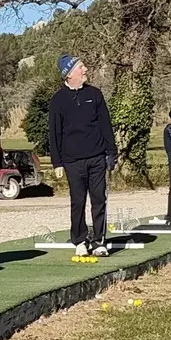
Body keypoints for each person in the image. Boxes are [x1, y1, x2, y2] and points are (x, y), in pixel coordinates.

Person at [48, 54, 117, 258]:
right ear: (69, 74)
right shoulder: (58, 100)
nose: (85, 69)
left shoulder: (95, 94)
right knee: (78, 201)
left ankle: (98, 241)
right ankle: (79, 239)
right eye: (81, 67)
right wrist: (56, 162)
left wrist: (111, 152)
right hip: (72, 160)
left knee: (99, 199)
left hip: (97, 157)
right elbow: (54, 132)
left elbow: (106, 124)